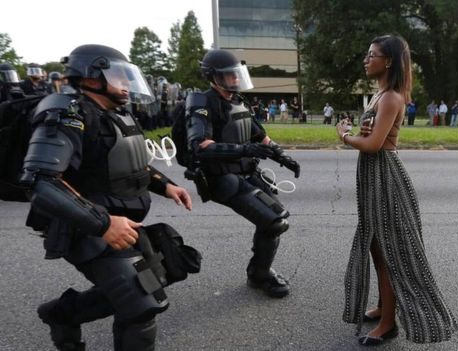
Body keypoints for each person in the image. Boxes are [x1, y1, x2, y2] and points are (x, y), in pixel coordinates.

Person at [20, 44, 192, 351]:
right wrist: (103, 224)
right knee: (143, 304)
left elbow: (129, 161)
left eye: (128, 77)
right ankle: (63, 316)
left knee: (156, 277)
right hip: (82, 225)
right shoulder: (66, 111)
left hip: (117, 222)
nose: (126, 83)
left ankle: (61, 314)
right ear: (91, 77)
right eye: (118, 76)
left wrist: (166, 185)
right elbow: (41, 181)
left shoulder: (115, 114)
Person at [336, 35, 457, 346]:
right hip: (373, 177)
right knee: (377, 248)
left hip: (385, 178)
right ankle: (382, 306)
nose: (366, 59)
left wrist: (345, 137)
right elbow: (373, 135)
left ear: (387, 61)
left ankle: (389, 324)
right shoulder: (378, 96)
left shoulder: (391, 98)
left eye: (372, 55)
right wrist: (361, 132)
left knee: (390, 253)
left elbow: (375, 145)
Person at [184, 49, 300, 298]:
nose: (235, 80)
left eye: (238, 75)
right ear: (213, 76)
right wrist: (245, 149)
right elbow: (200, 145)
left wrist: (282, 156)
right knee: (273, 221)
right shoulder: (202, 102)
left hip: (248, 173)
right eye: (229, 76)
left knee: (275, 221)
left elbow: (261, 135)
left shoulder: (238, 101)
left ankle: (259, 271)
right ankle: (260, 274)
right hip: (223, 178)